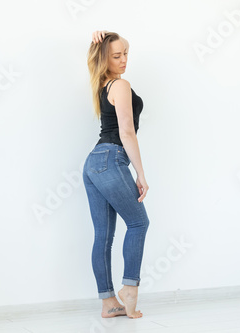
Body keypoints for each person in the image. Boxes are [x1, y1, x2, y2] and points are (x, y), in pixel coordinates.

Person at [83, 30, 150, 319]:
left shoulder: (102, 84)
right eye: (116, 55)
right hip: (111, 157)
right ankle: (129, 289)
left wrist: (101, 36)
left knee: (103, 235)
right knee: (139, 222)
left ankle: (109, 303)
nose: (123, 60)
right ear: (104, 59)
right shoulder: (119, 85)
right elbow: (126, 131)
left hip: (93, 162)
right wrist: (140, 173)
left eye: (126, 53)